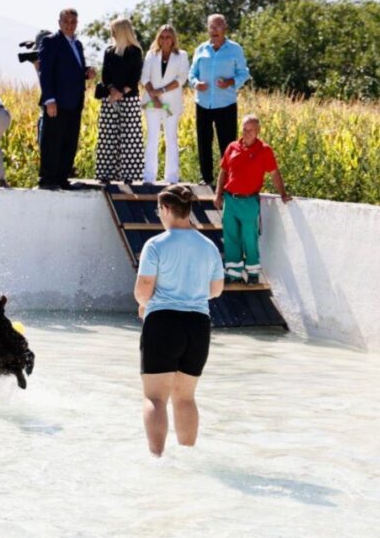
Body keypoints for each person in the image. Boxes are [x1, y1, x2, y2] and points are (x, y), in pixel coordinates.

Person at [134, 185, 225, 457]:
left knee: (155, 398)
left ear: (165, 209)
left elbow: (142, 291)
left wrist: (144, 306)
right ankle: (187, 457)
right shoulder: (208, 246)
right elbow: (216, 290)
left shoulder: (156, 245)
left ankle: (156, 459)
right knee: (185, 397)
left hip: (163, 323)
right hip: (198, 326)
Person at [214, 115, 292, 284]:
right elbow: (223, 171)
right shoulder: (232, 147)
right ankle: (233, 272)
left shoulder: (265, 150)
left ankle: (253, 272)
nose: (246, 133)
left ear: (258, 131)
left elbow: (274, 173)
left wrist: (283, 194)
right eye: (244, 129)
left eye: (250, 130)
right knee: (231, 236)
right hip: (231, 199)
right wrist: (218, 194)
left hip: (249, 201)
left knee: (250, 236)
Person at [37, 8, 97, 190]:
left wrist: (86, 72)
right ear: (59, 23)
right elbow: (45, 72)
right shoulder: (51, 41)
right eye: (66, 21)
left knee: (69, 141)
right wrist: (49, 99)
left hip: (75, 101)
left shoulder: (77, 44)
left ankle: (62, 178)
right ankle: (48, 179)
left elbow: (72, 70)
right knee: (52, 140)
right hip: (56, 101)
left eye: (73, 22)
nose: (70, 25)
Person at [188, 14, 250, 186]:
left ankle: (230, 180)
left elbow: (244, 73)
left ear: (225, 28)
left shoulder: (235, 49)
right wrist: (196, 83)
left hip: (226, 104)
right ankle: (206, 178)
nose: (214, 30)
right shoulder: (201, 49)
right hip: (203, 103)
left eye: (218, 26)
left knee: (228, 144)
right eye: (211, 27)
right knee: (204, 142)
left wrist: (230, 82)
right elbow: (192, 73)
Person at [94, 18, 144, 185]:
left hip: (129, 99)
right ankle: (105, 173)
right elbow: (105, 74)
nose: (112, 33)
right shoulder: (109, 51)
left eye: (114, 30)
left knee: (130, 136)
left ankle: (129, 175)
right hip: (110, 97)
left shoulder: (135, 52)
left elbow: (135, 78)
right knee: (107, 136)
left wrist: (121, 92)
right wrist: (112, 90)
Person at [141, 24, 189, 185]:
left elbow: (181, 79)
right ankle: (149, 177)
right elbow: (145, 78)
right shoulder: (151, 54)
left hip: (171, 104)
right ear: (158, 38)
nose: (165, 40)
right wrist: (154, 97)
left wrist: (161, 91)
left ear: (173, 39)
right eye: (161, 37)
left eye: (168, 36)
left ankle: (172, 178)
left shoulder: (181, 55)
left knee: (171, 138)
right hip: (152, 103)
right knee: (152, 138)